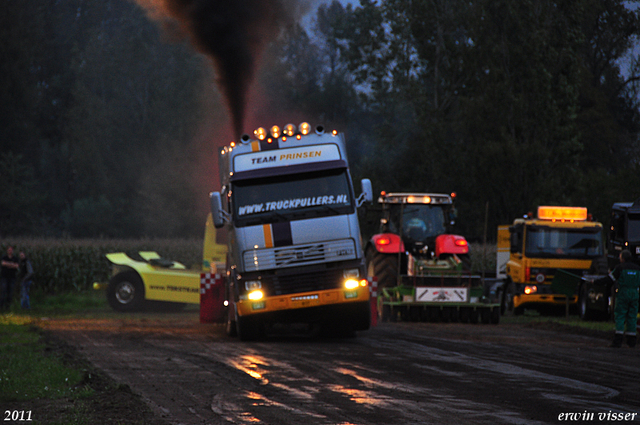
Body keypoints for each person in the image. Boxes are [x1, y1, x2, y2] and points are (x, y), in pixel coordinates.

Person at [609, 249, 640, 348]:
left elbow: (610, 279)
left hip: (623, 294)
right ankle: (632, 340)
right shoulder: (637, 268)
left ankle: (618, 340)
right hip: (635, 294)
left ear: (622, 258)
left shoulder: (620, 268)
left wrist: (595, 282)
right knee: (632, 316)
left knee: (620, 315)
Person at [1, 246, 20, 310]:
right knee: (3, 292)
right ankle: (1, 307)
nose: (10, 251)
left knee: (10, 293)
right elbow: (3, 264)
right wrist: (12, 264)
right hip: (4, 277)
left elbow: (16, 266)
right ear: (7, 251)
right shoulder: (4, 257)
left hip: (12, 278)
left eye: (11, 250)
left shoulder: (15, 258)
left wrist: (8, 264)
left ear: (13, 251)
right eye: (9, 250)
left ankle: (7, 307)